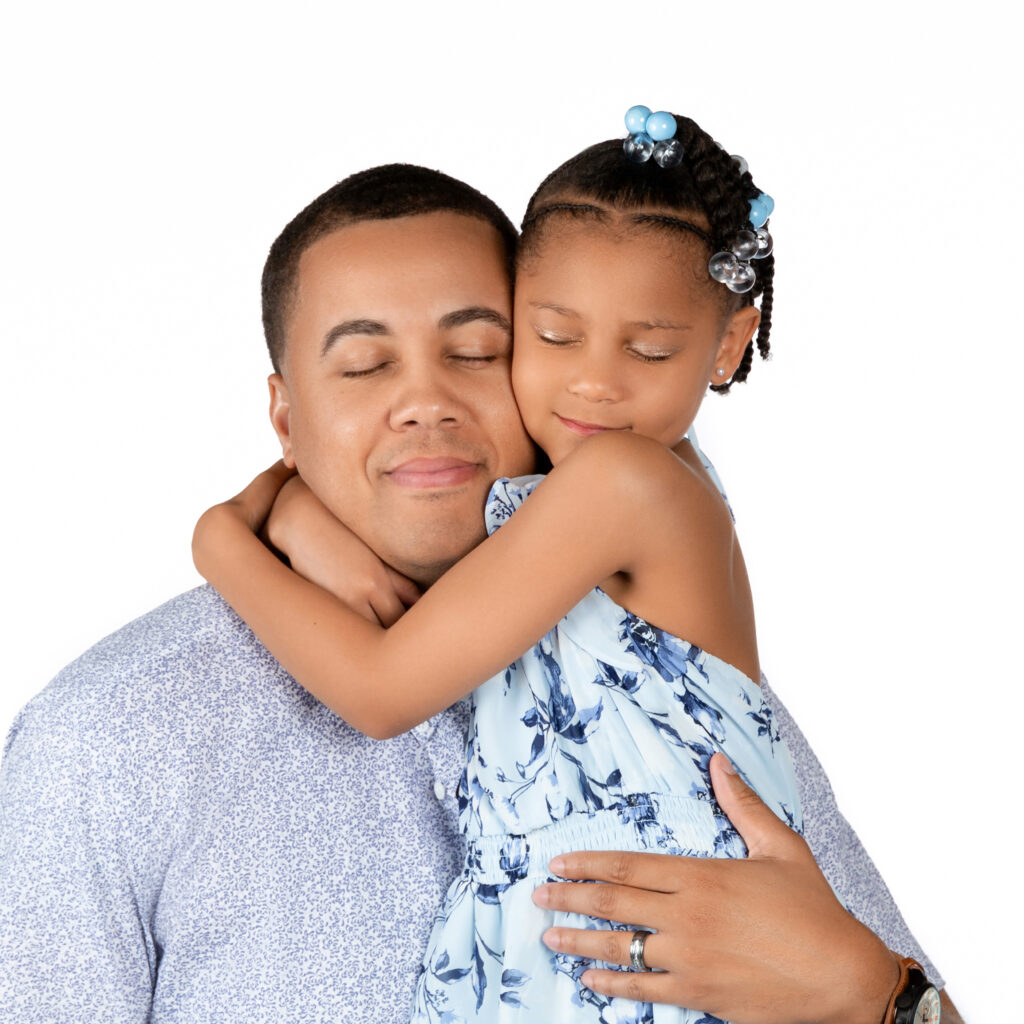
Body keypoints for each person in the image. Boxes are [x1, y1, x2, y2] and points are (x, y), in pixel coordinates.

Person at [0, 161, 954, 1024]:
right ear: (284, 420)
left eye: (477, 352)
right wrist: (264, 523)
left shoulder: (656, 694)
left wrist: (873, 995)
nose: (426, 401)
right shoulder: (113, 740)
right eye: (365, 365)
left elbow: (904, 997)